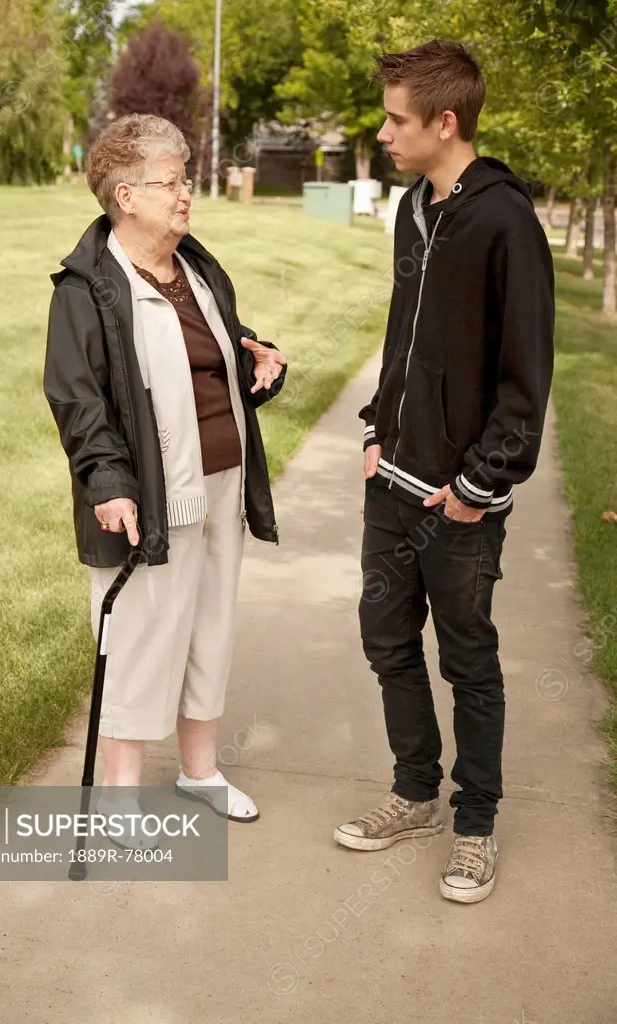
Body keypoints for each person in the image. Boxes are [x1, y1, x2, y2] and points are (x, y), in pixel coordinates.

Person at [334, 41, 554, 903]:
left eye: (396, 118)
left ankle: (475, 825)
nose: (385, 132)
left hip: (460, 501)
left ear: (445, 122)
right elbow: (405, 336)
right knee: (388, 644)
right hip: (392, 481)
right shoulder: (412, 209)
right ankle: (416, 793)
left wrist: (479, 484)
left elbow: (525, 373)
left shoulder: (504, 221)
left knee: (468, 660)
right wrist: (376, 429)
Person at [43, 113, 287, 847]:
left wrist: (259, 367)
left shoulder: (197, 269)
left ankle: (200, 771)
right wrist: (108, 482)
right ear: (125, 195)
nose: (186, 195)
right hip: (148, 494)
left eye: (186, 180)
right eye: (171, 183)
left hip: (222, 481)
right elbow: (78, 398)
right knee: (145, 639)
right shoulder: (87, 289)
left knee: (208, 631)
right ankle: (118, 798)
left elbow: (212, 365)